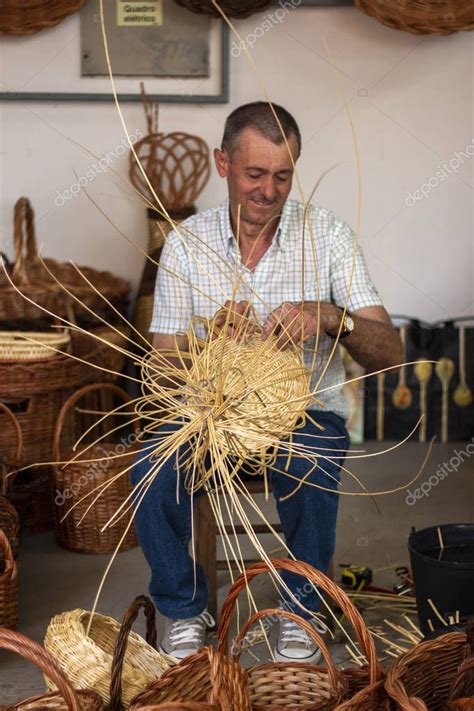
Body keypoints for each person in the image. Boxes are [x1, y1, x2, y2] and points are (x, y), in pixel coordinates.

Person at [131, 102, 403, 663]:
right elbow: (158, 369)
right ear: (222, 163)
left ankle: (300, 613)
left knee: (312, 456)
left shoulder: (326, 235)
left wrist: (331, 317)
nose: (268, 190)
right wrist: (209, 344)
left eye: (282, 175)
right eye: (255, 173)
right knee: (151, 463)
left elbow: (391, 355)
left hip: (304, 413)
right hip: (207, 416)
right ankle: (183, 609)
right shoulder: (186, 244)